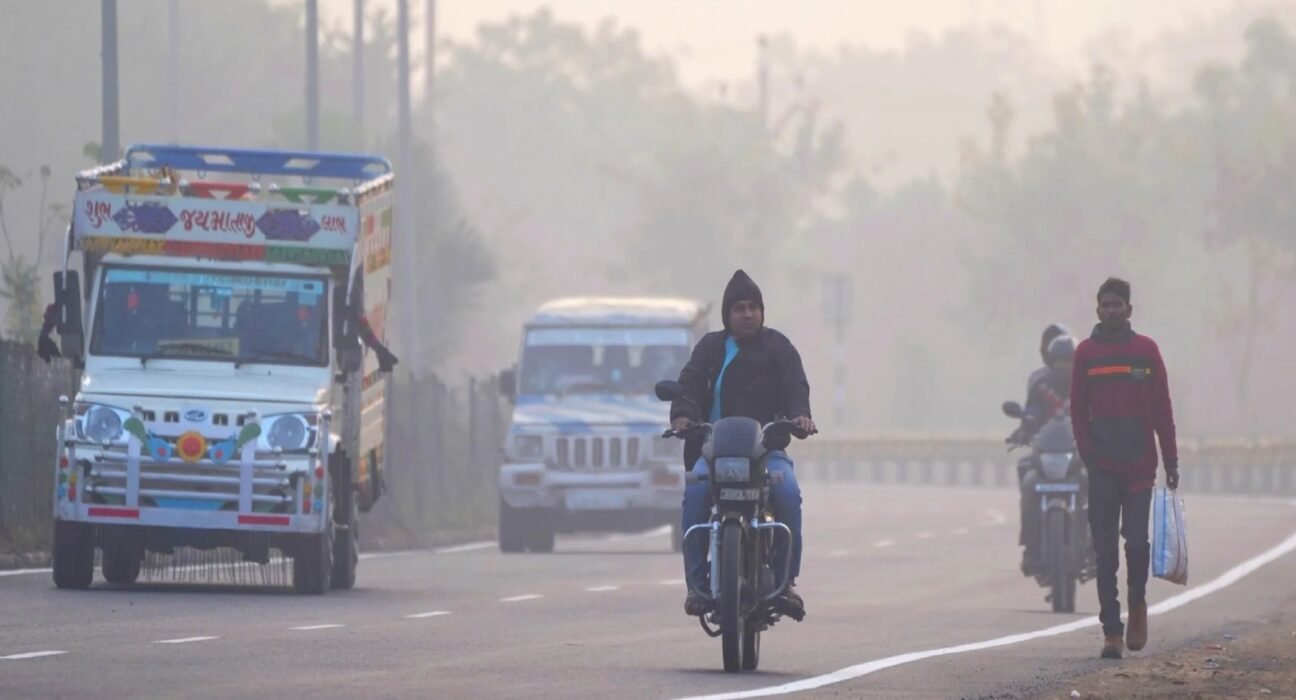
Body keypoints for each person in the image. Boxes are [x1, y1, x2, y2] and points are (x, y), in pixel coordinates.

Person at [670, 269, 815, 617]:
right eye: (739, 308)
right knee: (695, 495)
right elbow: (688, 387)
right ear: (727, 314)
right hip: (714, 452)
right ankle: (697, 587)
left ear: (762, 312)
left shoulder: (779, 348)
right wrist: (682, 416)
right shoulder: (710, 349)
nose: (747, 314)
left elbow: (796, 387)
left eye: (753, 307)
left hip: (767, 453)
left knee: (788, 495)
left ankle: (785, 583)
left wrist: (800, 416)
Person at [1070, 277, 1179, 660]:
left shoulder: (1146, 351)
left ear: (1129, 310)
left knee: (1135, 542)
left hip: (1139, 468)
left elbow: (1163, 410)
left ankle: (1138, 606)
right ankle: (1111, 632)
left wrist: (1171, 459)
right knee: (1105, 553)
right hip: (1102, 468)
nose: (1112, 310)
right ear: (1097, 309)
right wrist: (1087, 454)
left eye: (1118, 304)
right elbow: (1078, 411)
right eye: (1106, 304)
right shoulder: (1085, 354)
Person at [1017, 334, 1077, 574]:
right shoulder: (1040, 385)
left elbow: (1102, 410)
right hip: (1046, 452)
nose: (1064, 366)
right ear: (1051, 362)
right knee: (1029, 480)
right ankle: (1031, 548)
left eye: (1069, 361)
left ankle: (1098, 545)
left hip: (1078, 452)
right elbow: (1031, 411)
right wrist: (1024, 428)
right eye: (1059, 361)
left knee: (1101, 480)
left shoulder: (1088, 384)